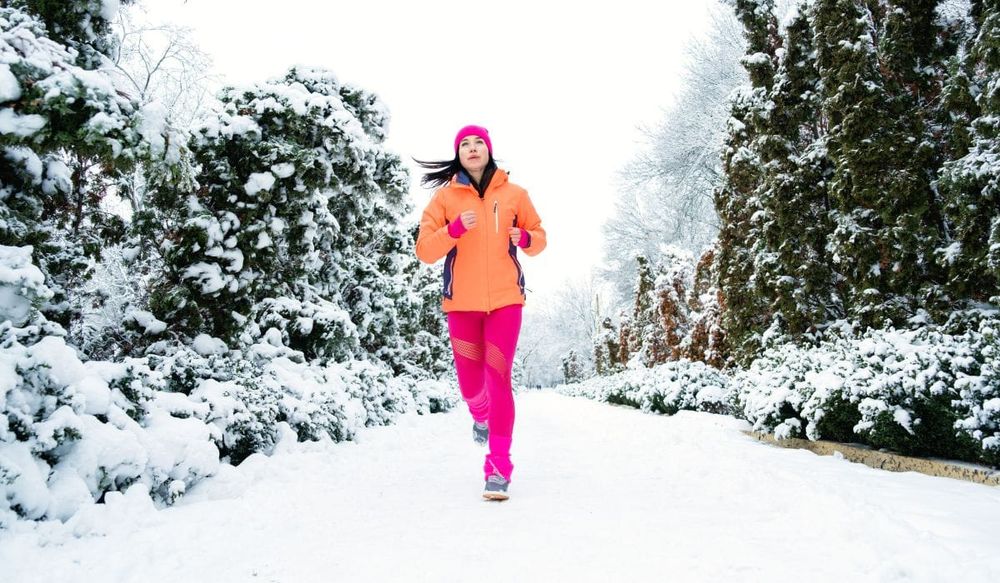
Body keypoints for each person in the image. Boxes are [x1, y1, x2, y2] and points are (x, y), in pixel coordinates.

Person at [415, 125, 546, 501]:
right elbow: (424, 250)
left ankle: (498, 467)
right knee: (472, 386)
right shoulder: (443, 200)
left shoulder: (514, 195)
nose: (472, 149)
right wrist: (453, 230)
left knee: (499, 376)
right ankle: (479, 414)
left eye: (479, 143)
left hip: (506, 302)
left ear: (489, 150)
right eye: (465, 145)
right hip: (462, 305)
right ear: (458, 153)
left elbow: (540, 237)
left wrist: (524, 238)